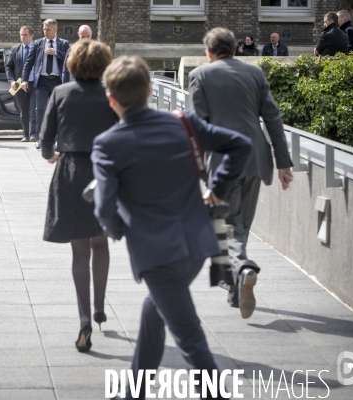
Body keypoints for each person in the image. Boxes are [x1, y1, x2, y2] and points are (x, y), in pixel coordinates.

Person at [92, 55, 252, 399]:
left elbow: (104, 206)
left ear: (111, 99)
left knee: (190, 340)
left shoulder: (107, 144)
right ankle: (135, 389)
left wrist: (119, 229)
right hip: (196, 244)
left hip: (157, 255)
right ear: (150, 90)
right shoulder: (183, 123)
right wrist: (218, 189)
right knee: (155, 312)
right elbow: (241, 144)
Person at [188, 27, 294, 319]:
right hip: (255, 159)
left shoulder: (201, 76)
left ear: (209, 53)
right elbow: (272, 117)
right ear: (235, 49)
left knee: (225, 225)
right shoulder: (254, 74)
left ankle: (243, 269)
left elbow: (197, 127)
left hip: (222, 161)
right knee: (241, 225)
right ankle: (235, 286)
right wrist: (283, 163)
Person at [40, 40, 117, 352]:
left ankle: (84, 319)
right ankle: (100, 308)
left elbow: (46, 139)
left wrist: (51, 154)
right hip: (103, 173)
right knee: (100, 242)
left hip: (71, 171)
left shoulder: (61, 93)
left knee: (79, 252)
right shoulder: (112, 95)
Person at [21, 19, 70, 144]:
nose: (45, 32)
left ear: (55, 30)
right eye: (44, 29)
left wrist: (56, 53)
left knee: (58, 109)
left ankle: (58, 138)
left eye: (48, 29)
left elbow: (70, 59)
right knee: (41, 109)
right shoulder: (38, 43)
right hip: (42, 81)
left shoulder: (64, 44)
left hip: (57, 81)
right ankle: (40, 138)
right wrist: (24, 80)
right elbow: (29, 62)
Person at [5, 26, 37, 142]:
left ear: (32, 35)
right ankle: (26, 134)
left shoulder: (37, 48)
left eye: (25, 35)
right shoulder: (15, 49)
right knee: (23, 111)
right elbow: (9, 67)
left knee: (34, 109)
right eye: (21, 35)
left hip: (34, 83)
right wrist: (12, 81)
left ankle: (34, 134)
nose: (23, 37)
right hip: (19, 84)